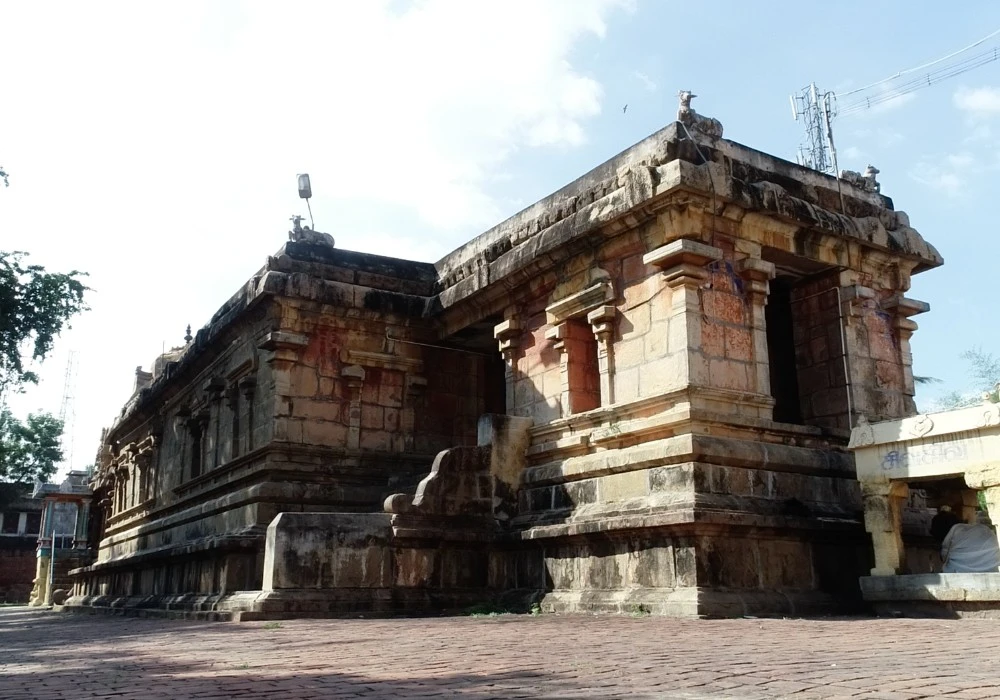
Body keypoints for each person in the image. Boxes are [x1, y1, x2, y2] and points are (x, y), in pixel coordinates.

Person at [930, 506, 1000, 574]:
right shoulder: (984, 529)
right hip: (995, 570)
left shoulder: (954, 533)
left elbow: (944, 557)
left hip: (959, 577)